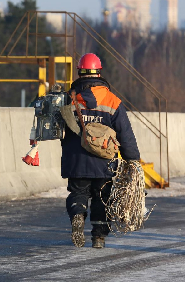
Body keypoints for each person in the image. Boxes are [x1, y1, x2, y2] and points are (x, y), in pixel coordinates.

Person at [61, 53, 140, 248]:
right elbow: (125, 133)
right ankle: (98, 237)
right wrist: (133, 160)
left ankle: (78, 215)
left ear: (79, 72)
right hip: (103, 160)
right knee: (102, 197)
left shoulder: (69, 98)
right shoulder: (112, 100)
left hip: (76, 158)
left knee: (78, 192)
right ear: (99, 73)